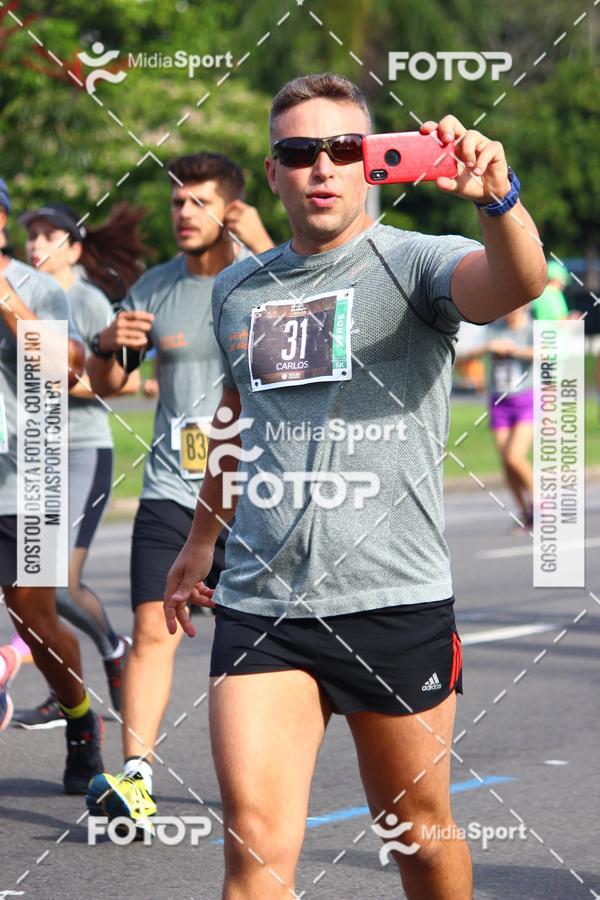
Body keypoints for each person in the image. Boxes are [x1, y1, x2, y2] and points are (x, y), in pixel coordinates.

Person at [162, 74, 546, 898]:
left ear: (371, 162)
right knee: (255, 853)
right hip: (262, 604)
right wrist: (200, 541)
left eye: (344, 148)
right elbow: (236, 414)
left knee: (419, 836)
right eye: (301, 151)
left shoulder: (416, 261)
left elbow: (518, 284)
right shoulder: (239, 287)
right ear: (274, 172)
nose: (323, 167)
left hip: (392, 600)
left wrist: (498, 198)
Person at [85, 153, 273, 831]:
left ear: (232, 209)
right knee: (150, 628)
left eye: (199, 202)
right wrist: (107, 344)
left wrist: (264, 247)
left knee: (252, 649)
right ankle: (136, 777)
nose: (184, 214)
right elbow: (108, 385)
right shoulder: (153, 288)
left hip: (256, 492)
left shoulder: (264, 277)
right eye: (176, 202)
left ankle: (262, 781)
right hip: (171, 490)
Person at [10, 203, 146, 729]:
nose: (37, 244)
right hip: (31, 454)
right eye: (32, 235)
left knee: (59, 582)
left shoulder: (86, 300)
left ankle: (113, 648)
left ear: (74, 248)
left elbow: (125, 381)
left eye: (50, 236)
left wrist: (60, 381)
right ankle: (63, 692)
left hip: (82, 451)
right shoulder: (20, 294)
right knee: (35, 590)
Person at [0, 177, 105, 792]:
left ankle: (80, 717)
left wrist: (6, 302)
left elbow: (65, 369)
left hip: (27, 479)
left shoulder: (37, 287)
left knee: (36, 621)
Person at [458, 306, 534, 530]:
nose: (510, 312)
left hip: (525, 399)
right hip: (499, 402)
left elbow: (546, 353)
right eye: (508, 308)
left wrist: (513, 351)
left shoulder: (531, 329)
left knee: (514, 457)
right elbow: (465, 354)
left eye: (515, 307)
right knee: (507, 464)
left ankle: (541, 504)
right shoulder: (494, 329)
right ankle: (525, 512)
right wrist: (489, 347)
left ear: (524, 307)